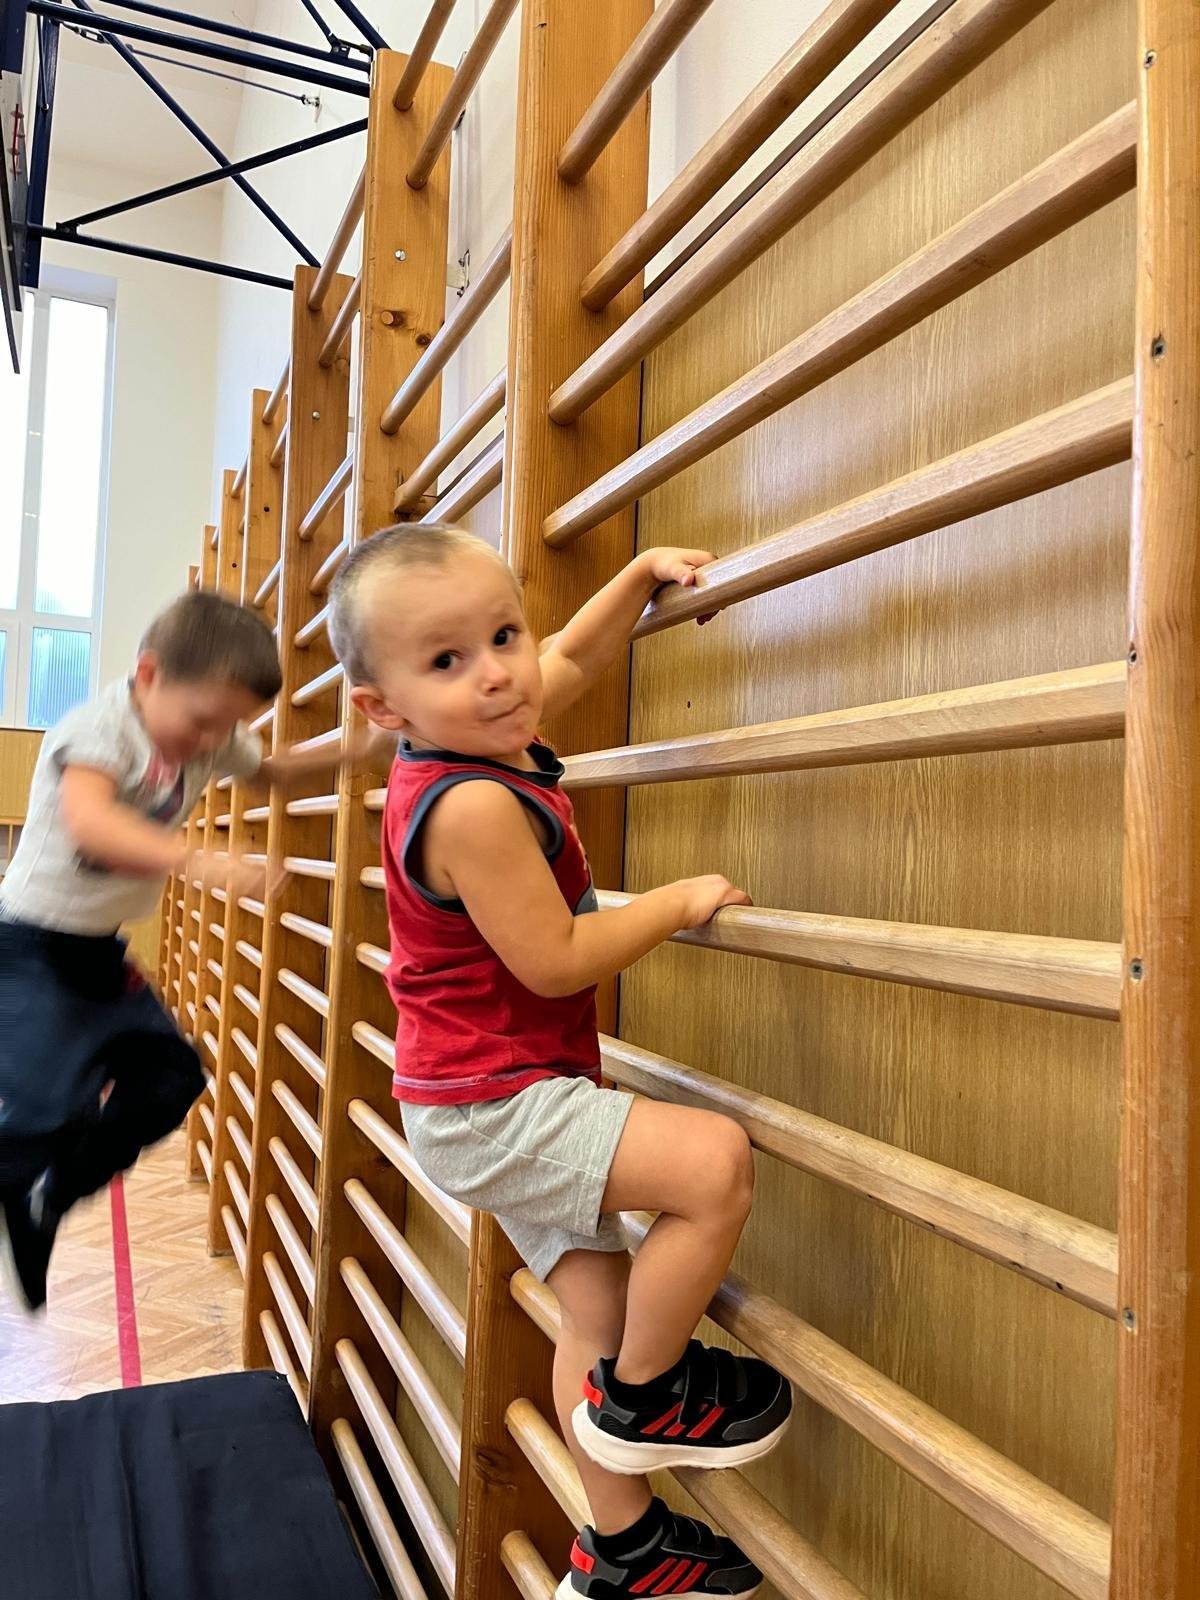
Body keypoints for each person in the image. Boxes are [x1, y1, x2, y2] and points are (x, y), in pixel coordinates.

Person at [328, 526, 792, 1600]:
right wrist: (676, 902)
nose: (498, 673)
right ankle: (650, 1393)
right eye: (448, 660)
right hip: (494, 1104)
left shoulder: (484, 739)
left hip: (475, 1099)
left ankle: (624, 1545)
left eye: (504, 635)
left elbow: (569, 660)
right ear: (384, 707)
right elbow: (555, 960)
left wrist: (636, 578)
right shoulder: (473, 804)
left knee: (597, 1302)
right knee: (714, 1164)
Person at [0, 590, 380, 1313]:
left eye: (229, 726)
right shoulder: (100, 730)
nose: (213, 741)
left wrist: (357, 748)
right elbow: (90, 823)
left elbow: (274, 771)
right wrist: (196, 860)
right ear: (148, 675)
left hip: (94, 954)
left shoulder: (208, 736)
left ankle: (51, 1193)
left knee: (170, 1081)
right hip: (27, 947)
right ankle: (18, 1171)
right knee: (47, 1113)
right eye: (203, 721)